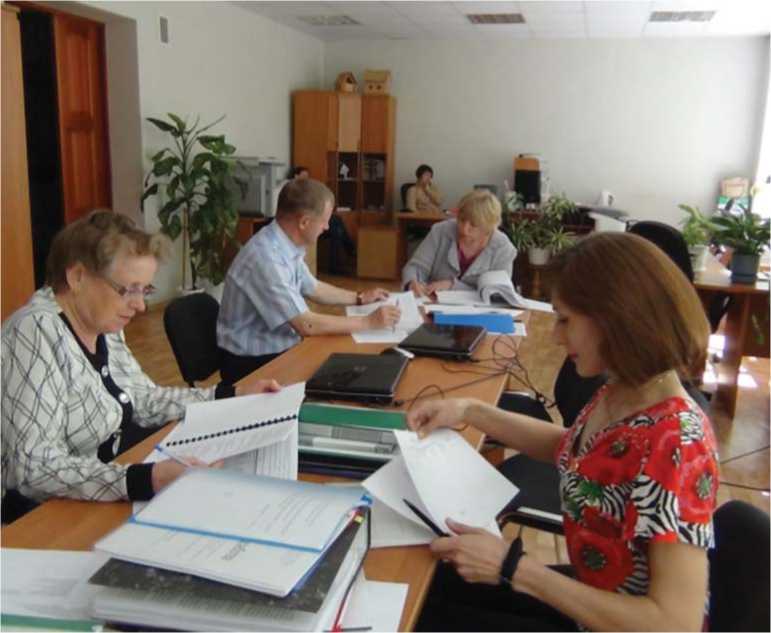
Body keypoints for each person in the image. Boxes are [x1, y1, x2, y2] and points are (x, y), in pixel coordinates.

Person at [407, 232, 718, 631]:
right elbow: (573, 448)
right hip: (591, 599)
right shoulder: (626, 387)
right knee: (434, 583)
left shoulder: (677, 442)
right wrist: (470, 409)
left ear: (617, 318)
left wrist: (513, 568)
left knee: (430, 616)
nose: (555, 335)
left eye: (565, 320)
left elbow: (676, 624)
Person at [1, 211, 282, 521]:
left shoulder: (102, 322)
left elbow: (143, 398)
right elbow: (34, 467)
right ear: (77, 277)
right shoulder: (34, 332)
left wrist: (231, 395)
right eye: (128, 289)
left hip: (93, 492)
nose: (140, 305)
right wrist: (146, 478)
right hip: (36, 515)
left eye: (145, 290)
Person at [217, 178, 399, 384]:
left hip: (278, 347)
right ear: (304, 222)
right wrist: (368, 322)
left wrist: (359, 297)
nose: (327, 227)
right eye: (324, 220)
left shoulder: (283, 244)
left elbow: (313, 287)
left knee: (348, 364)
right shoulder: (266, 258)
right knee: (345, 374)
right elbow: (307, 324)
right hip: (251, 364)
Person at [402, 189, 516, 297]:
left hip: (480, 310)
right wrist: (412, 282)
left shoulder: (503, 248)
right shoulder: (440, 231)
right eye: (461, 220)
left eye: (473, 225)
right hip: (432, 302)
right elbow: (416, 267)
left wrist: (452, 286)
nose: (464, 229)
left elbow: (497, 292)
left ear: (489, 227)